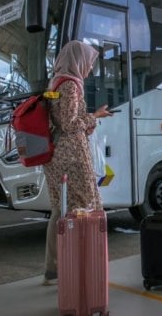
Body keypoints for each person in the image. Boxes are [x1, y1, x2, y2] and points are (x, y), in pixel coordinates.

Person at [42, 41, 113, 286]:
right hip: (71, 155)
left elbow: (58, 116)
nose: (90, 69)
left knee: (59, 210)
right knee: (83, 207)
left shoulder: (54, 83)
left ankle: (53, 268)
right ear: (79, 60)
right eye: (89, 63)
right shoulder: (71, 85)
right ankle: (80, 262)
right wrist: (94, 116)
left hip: (55, 155)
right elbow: (69, 123)